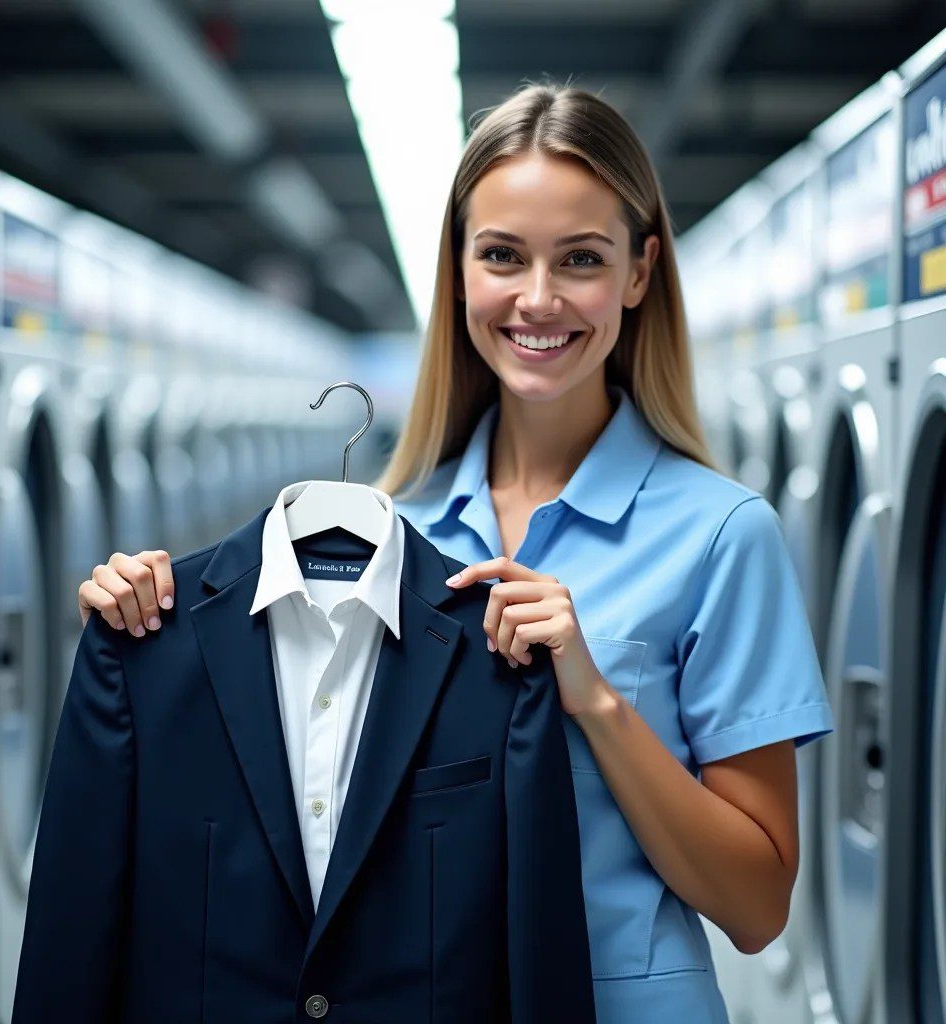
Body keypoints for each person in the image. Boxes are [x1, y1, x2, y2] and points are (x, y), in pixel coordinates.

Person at [77, 81, 834, 1023]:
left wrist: (594, 700)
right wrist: (144, 606)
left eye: (582, 260)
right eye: (503, 256)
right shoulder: (388, 536)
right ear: (459, 272)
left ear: (639, 273)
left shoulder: (721, 536)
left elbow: (759, 906)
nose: (539, 298)